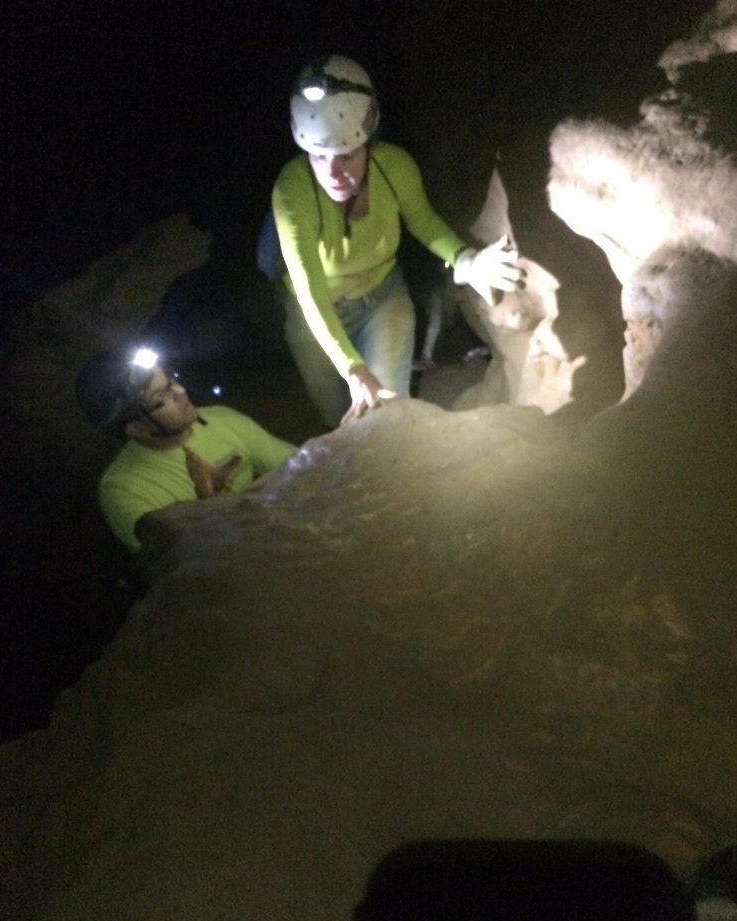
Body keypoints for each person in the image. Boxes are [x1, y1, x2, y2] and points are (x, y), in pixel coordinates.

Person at [271, 53, 526, 428]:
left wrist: (465, 259)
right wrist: (352, 367)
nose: (333, 172)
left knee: (388, 415)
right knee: (339, 418)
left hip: (382, 300)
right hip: (315, 314)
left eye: (346, 155)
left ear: (368, 142)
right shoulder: (291, 192)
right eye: (318, 156)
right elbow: (310, 292)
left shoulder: (394, 167)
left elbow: (424, 221)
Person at [76, 345, 297, 553]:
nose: (181, 391)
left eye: (171, 380)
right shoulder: (123, 489)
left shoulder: (220, 419)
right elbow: (177, 564)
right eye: (162, 395)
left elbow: (300, 467)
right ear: (138, 428)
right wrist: (210, 505)